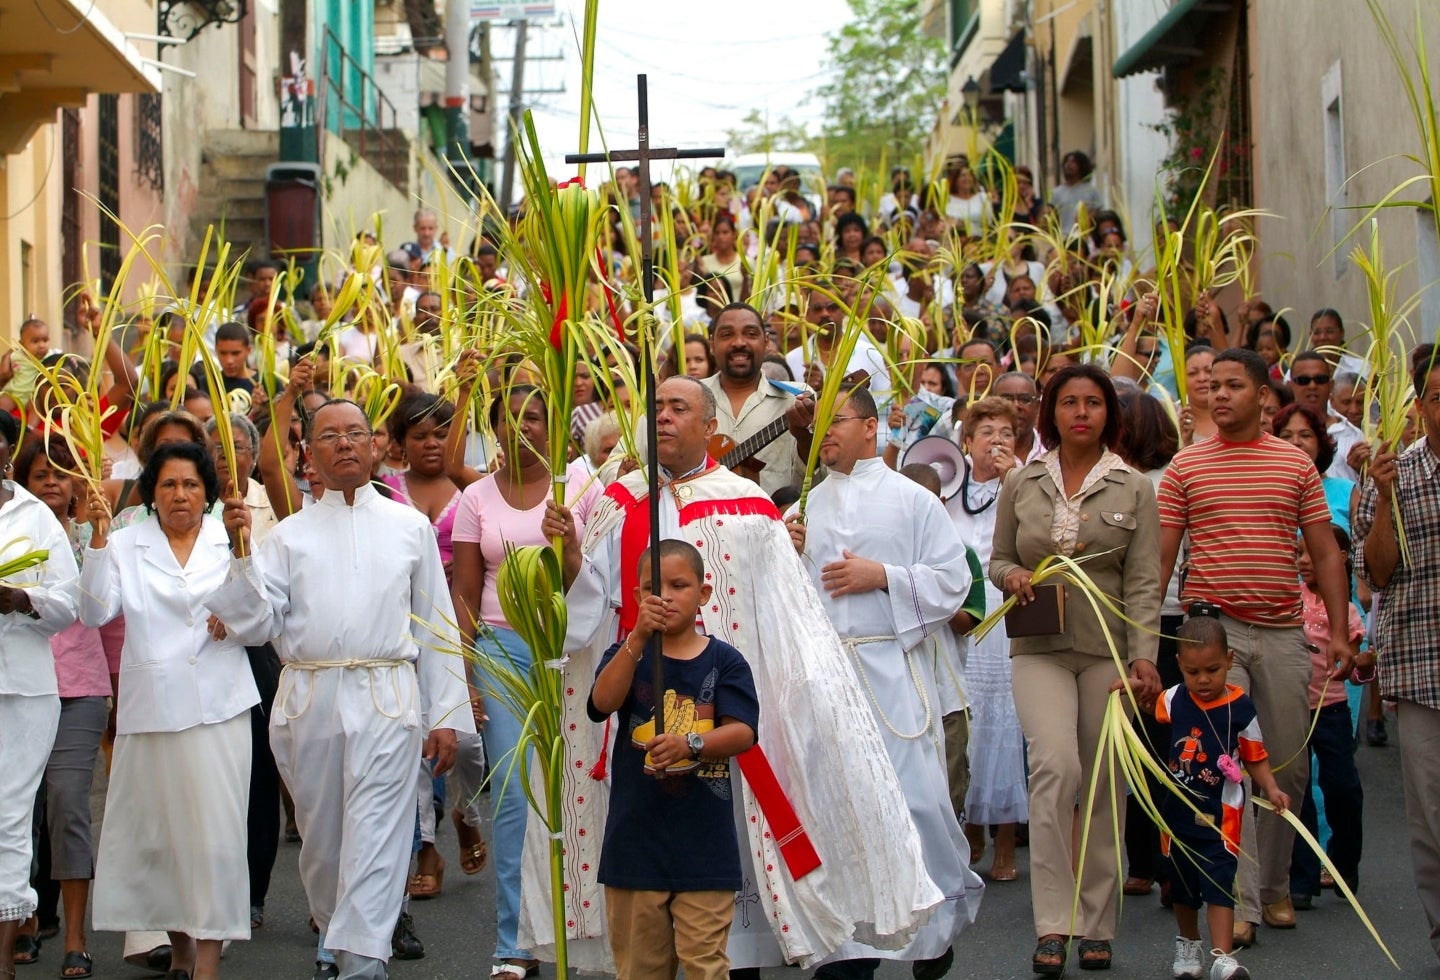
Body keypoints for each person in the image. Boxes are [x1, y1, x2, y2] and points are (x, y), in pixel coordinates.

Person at [527, 375, 950, 974]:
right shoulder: (618, 501)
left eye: (680, 408)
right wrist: (570, 552)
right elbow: (587, 608)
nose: (665, 418)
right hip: (642, 706)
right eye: (658, 409)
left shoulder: (749, 507)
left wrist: (806, 699)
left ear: (710, 427)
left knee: (727, 854)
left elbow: (790, 615)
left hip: (727, 701)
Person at [206, 399, 475, 980]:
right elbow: (254, 623)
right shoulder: (287, 537)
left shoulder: (410, 528)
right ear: (309, 453)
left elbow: (435, 624)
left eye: (357, 433)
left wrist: (446, 712)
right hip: (310, 697)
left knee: (378, 837)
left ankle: (363, 963)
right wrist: (240, 551)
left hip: (388, 694)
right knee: (325, 845)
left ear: (377, 447)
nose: (346, 444)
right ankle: (336, 934)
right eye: (331, 436)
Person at [1158, 348, 1356, 949]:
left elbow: (1324, 551)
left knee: (1289, 763)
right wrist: (1142, 639)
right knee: (1230, 767)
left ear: (1263, 395)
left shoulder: (1294, 465)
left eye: (1233, 385)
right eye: (1212, 386)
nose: (1219, 395)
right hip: (1214, 634)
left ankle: (1272, 889)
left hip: (1284, 632)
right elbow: (1161, 560)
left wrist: (1342, 631)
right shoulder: (1185, 467)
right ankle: (1236, 902)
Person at [786, 385, 984, 979]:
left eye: (836, 423)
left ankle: (932, 924)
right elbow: (792, 597)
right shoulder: (809, 504)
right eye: (818, 427)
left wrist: (885, 577)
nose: (825, 437)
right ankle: (847, 949)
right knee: (835, 805)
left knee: (914, 799)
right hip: (826, 675)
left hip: (889, 671)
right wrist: (787, 553)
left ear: (870, 427)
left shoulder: (911, 500)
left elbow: (953, 581)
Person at [988, 363, 1162, 975]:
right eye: (1069, 402)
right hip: (1039, 648)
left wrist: (1144, 658)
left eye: (1093, 402)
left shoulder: (1135, 487)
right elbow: (1000, 558)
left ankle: (1095, 925)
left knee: (1105, 780)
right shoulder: (1022, 481)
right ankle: (1051, 926)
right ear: (1051, 412)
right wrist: (1009, 575)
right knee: (1055, 767)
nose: (1081, 412)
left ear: (1109, 414)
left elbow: (1144, 581)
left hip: (1108, 653)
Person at [80, 442, 260, 980]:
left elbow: (262, 622)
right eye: (168, 485)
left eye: (190, 485)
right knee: (164, 842)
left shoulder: (229, 538)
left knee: (216, 839)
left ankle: (207, 964)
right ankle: (180, 952)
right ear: (151, 494)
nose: (180, 494)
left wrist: (239, 578)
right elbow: (94, 612)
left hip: (220, 710)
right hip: (152, 712)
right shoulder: (126, 542)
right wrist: (95, 538)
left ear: (207, 493)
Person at [449, 383, 603, 979]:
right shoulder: (476, 498)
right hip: (501, 653)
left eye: (534, 417)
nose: (522, 428)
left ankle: (576, 927)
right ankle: (514, 940)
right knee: (515, 791)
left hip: (569, 652)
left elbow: (593, 583)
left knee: (572, 791)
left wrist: (568, 551)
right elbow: (464, 590)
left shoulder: (581, 489)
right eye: (509, 418)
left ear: (554, 426)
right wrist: (464, 674)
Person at [588, 540, 759, 980]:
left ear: (703, 594)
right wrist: (637, 639)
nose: (664, 596)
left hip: (705, 847)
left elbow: (742, 731)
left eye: (679, 585)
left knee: (706, 965)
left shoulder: (725, 661)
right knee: (641, 969)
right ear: (636, 597)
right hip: (635, 845)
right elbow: (601, 703)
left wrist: (692, 745)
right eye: (651, 588)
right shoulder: (627, 655)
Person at [1353, 344, 1440, 963]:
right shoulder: (1394, 472)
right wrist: (1384, 500)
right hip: (1421, 666)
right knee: (1431, 815)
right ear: (1421, 404)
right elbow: (1378, 574)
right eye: (1439, 397)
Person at [13, 438, 109, 979]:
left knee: (68, 803)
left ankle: (75, 937)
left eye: (61, 473)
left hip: (78, 690)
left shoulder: (92, 536)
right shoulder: (11, 533)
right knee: (20, 809)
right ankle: (23, 918)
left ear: (77, 483)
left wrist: (119, 687)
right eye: (39, 473)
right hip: (20, 686)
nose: (51, 482)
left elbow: (110, 619)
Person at [1157, 617, 1290, 980]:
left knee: (1219, 882)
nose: (1203, 680)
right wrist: (1127, 687)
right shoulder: (1171, 699)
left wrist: (1272, 787)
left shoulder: (1240, 707)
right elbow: (1145, 705)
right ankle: (1188, 943)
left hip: (1223, 816)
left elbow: (1254, 754)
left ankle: (1222, 956)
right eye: (1192, 671)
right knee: (1182, 886)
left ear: (1230, 660)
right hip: (1177, 813)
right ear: (1180, 666)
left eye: (1213, 670)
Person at [0, 411, 80, 980]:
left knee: (8, 818)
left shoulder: (35, 518)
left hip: (24, 687)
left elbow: (67, 603)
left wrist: (20, 599)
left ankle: (3, 960)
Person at [940, 397, 1027, 880]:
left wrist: (1015, 477)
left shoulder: (1024, 483)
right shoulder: (948, 485)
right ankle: (971, 829)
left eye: (1006, 432)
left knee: (1004, 723)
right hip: (960, 614)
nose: (996, 439)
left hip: (1004, 613)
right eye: (986, 430)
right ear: (966, 441)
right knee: (964, 717)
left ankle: (1008, 842)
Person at [1288, 527, 1366, 909]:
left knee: (1342, 788)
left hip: (1331, 707)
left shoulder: (1345, 609)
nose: (1304, 560)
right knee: (1297, 789)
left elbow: (1350, 665)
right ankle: (1301, 878)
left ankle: (1343, 861)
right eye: (1299, 552)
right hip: (1292, 706)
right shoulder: (1289, 600)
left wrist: (1358, 662)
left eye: (1311, 553)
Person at [702, 302, 811, 495]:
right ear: (712, 344)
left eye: (751, 334)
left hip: (776, 522)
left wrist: (804, 437)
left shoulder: (799, 398)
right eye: (727, 335)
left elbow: (822, 476)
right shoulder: (688, 401)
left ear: (767, 342)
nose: (739, 343)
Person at [1272, 403, 1355, 533]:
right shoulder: (1265, 489)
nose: (1295, 442)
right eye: (1286, 436)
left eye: (1305, 435)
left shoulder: (1347, 490)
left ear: (1320, 444)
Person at [1050, 151, 1104, 233]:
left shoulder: (1091, 190)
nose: (1068, 165)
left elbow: (1098, 212)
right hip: (1064, 238)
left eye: (1073, 162)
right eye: (1067, 162)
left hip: (1086, 237)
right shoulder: (1057, 192)